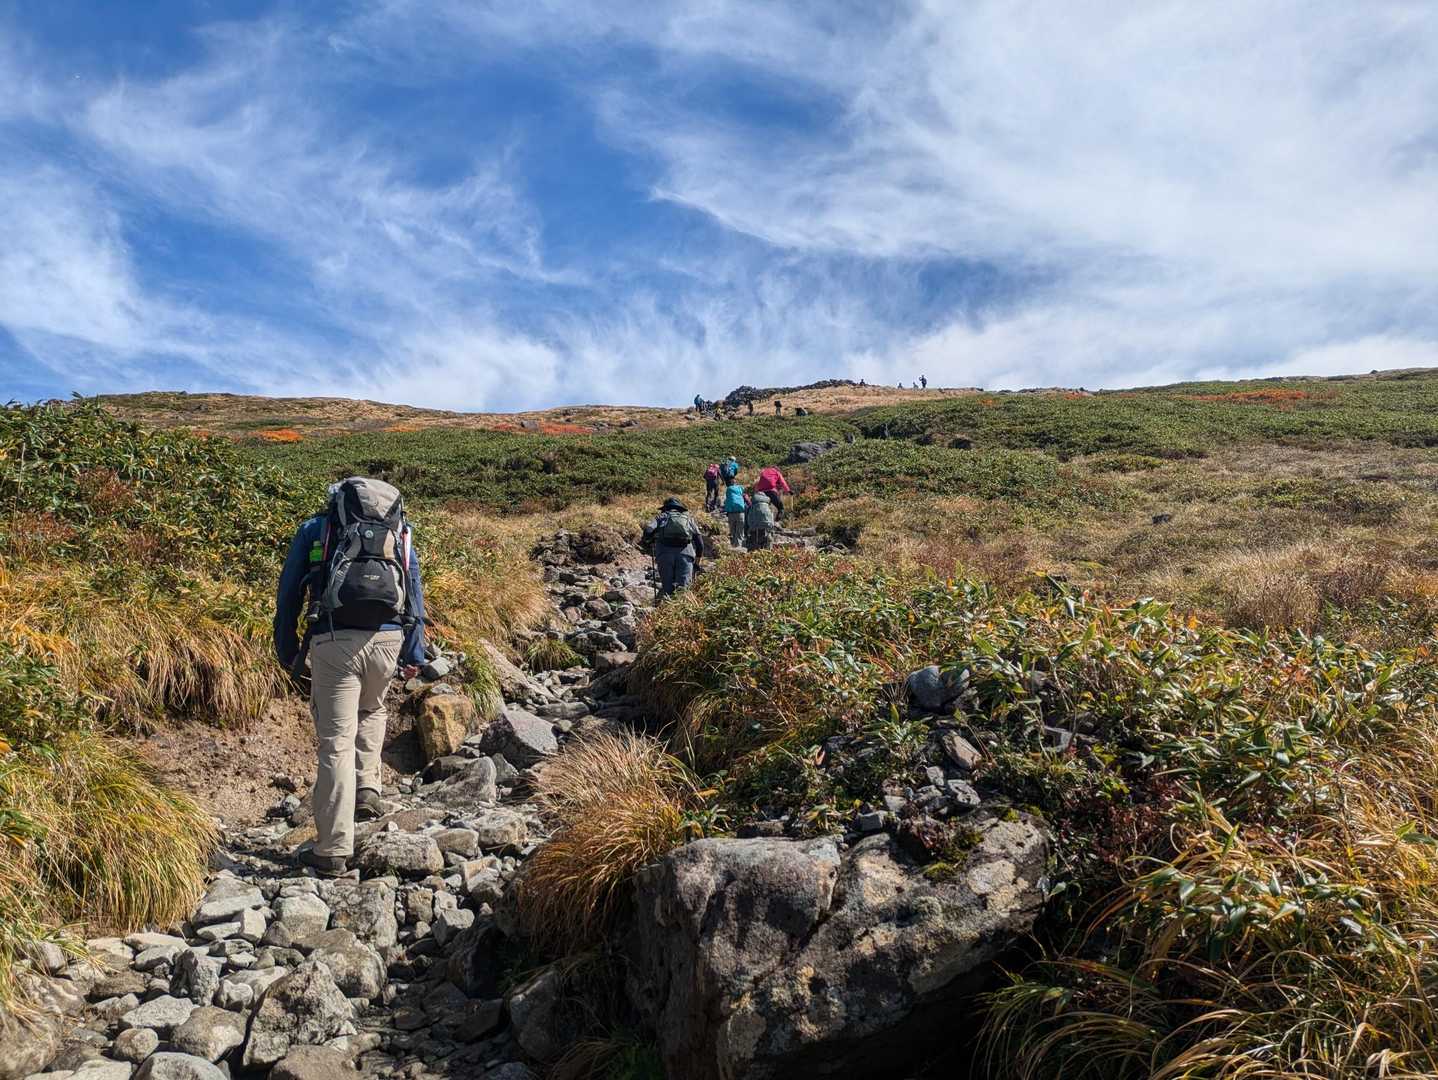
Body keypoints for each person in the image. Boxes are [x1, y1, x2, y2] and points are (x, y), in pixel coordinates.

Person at [274, 477, 427, 877]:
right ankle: (367, 790)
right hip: (388, 639)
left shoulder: (315, 528)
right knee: (372, 709)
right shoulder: (401, 531)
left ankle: (332, 849)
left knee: (336, 742)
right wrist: (415, 652)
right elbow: (413, 590)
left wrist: (287, 649)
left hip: (333, 638)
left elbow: (288, 593)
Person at [642, 497, 705, 598]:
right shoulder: (688, 518)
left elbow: (648, 531)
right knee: (683, 589)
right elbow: (700, 544)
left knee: (667, 588)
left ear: (665, 508)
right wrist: (697, 563)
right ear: (680, 508)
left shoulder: (661, 517)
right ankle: (681, 606)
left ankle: (666, 604)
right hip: (686, 554)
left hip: (664, 554)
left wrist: (649, 540)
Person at [723, 481, 749, 547]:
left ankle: (733, 545)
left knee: (732, 531)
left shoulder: (728, 490)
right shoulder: (740, 490)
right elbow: (747, 501)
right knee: (740, 531)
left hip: (731, 513)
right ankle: (738, 546)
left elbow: (726, 502)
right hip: (740, 513)